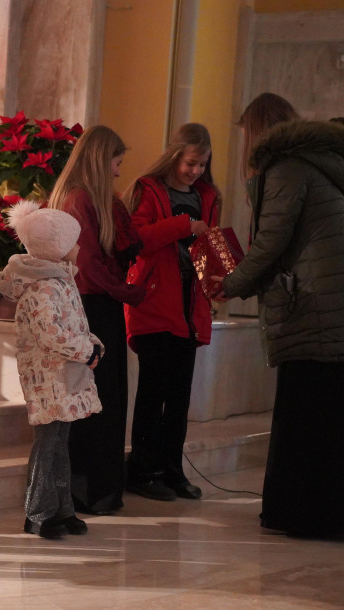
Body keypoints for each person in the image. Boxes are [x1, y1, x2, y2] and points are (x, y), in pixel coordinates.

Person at [215, 92, 344, 536]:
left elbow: (271, 242)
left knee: (311, 415)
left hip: (314, 308)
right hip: (337, 306)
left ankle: (307, 514)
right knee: (334, 415)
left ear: (257, 132)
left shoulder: (286, 169)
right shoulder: (315, 164)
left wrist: (230, 284)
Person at [48, 125, 144, 515]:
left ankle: (100, 489)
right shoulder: (78, 199)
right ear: (101, 159)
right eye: (116, 163)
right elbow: (87, 264)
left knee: (104, 398)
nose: (119, 172)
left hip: (97, 306)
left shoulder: (86, 197)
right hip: (91, 308)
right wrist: (130, 293)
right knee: (95, 402)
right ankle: (90, 490)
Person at [122, 123, 221, 502]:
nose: (195, 171)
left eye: (202, 164)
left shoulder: (207, 196)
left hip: (189, 306)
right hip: (154, 302)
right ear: (175, 155)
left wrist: (220, 276)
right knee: (152, 394)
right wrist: (183, 225)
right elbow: (137, 239)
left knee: (179, 398)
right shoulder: (149, 189)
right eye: (190, 163)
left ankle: (172, 470)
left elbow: (208, 247)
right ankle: (144, 471)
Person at [0, 201, 104, 538]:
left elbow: (72, 322)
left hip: (63, 375)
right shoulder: (42, 286)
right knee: (48, 444)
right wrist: (86, 350)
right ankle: (39, 512)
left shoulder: (59, 279)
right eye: (73, 240)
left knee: (60, 442)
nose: (78, 246)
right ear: (56, 247)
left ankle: (62, 507)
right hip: (49, 378)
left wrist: (92, 343)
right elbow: (51, 332)